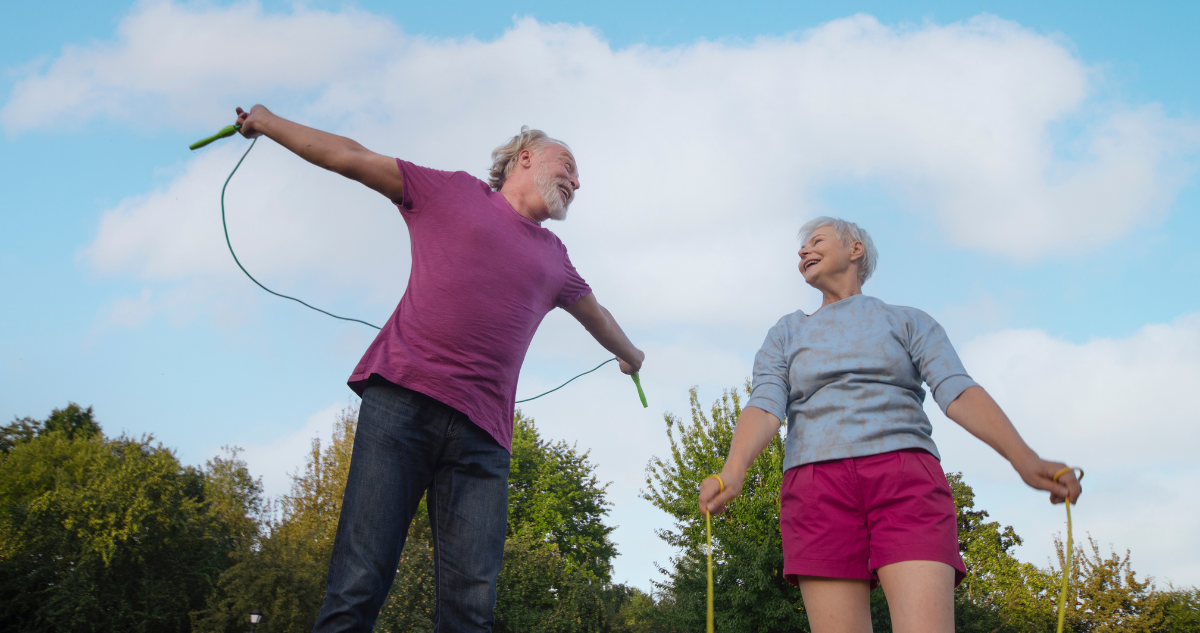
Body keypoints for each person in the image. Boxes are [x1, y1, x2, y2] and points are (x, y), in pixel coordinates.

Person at [233, 105, 645, 633]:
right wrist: (267, 123)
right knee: (358, 583)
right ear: (525, 158)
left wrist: (631, 355)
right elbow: (350, 157)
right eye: (567, 166)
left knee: (471, 609)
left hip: (483, 441)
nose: (576, 182)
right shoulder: (449, 191)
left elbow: (598, 315)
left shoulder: (555, 257)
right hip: (401, 406)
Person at [697, 217, 1081, 633]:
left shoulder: (909, 321)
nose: (803, 251)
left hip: (906, 481)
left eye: (816, 241)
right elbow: (766, 404)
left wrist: (1023, 458)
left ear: (855, 249)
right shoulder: (786, 332)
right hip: (815, 489)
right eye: (801, 247)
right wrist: (733, 470)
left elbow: (957, 390)